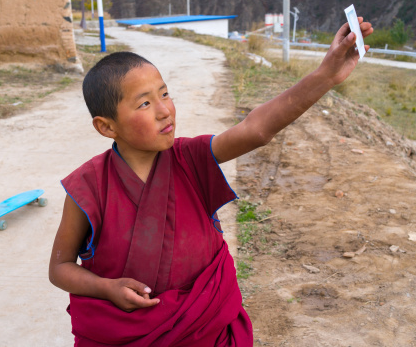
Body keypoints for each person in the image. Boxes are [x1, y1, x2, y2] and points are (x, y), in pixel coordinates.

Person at [49, 18, 373, 346]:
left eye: (165, 94)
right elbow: (60, 268)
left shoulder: (191, 158)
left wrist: (325, 76)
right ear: (106, 127)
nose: (165, 111)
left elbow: (256, 130)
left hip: (207, 330)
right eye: (145, 103)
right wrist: (106, 288)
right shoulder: (87, 188)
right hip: (126, 334)